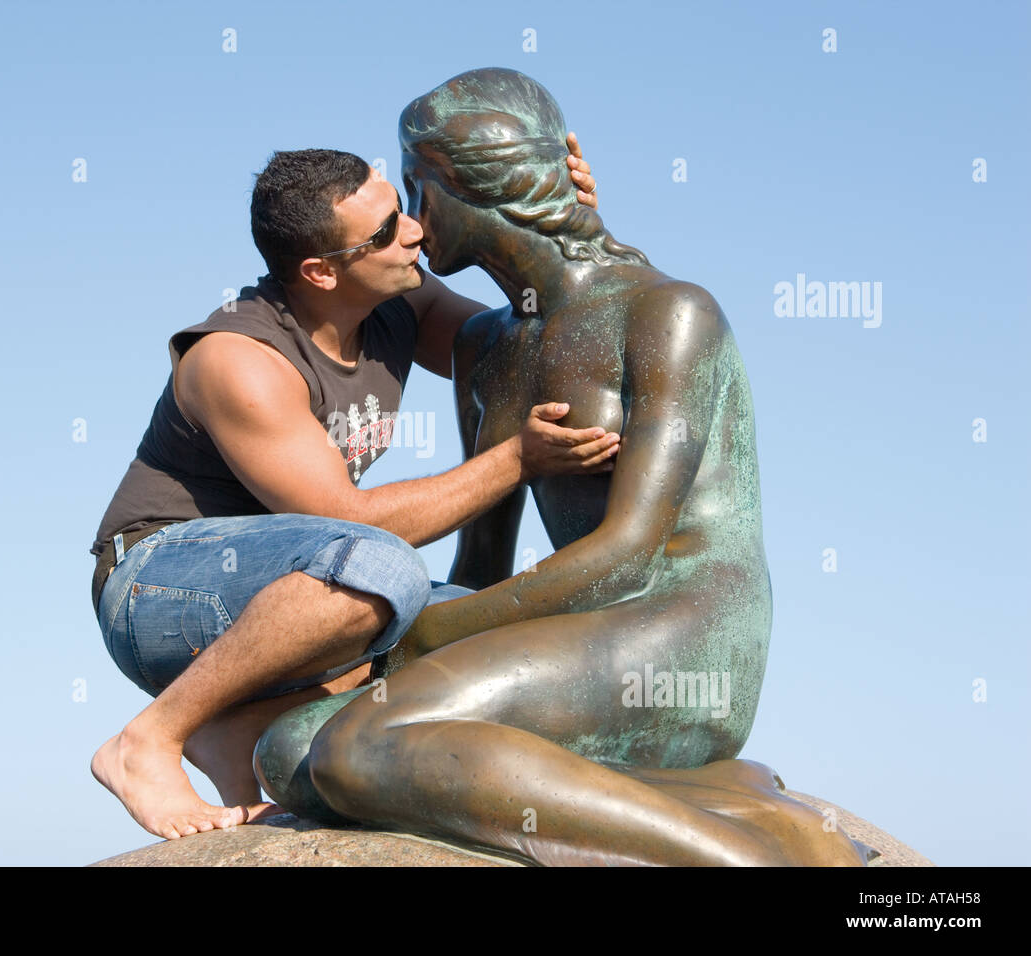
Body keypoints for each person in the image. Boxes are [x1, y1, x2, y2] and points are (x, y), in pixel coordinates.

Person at [253, 68, 869, 866]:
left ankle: (752, 855)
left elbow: (628, 552)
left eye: (417, 186)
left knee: (359, 749)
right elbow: (481, 565)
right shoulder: (485, 347)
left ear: (482, 184)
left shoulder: (667, 312)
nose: (410, 220)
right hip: (576, 632)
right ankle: (714, 792)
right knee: (290, 753)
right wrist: (406, 641)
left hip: (679, 630)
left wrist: (422, 631)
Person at [87, 134, 614, 840]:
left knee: (477, 625)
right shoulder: (240, 361)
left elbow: (521, 340)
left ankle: (231, 727)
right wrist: (517, 460)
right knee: (382, 566)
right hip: (158, 584)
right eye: (386, 232)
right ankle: (150, 739)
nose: (415, 234)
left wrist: (564, 224)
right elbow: (346, 518)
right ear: (321, 271)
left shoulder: (399, 303)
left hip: (305, 579)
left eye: (401, 211)